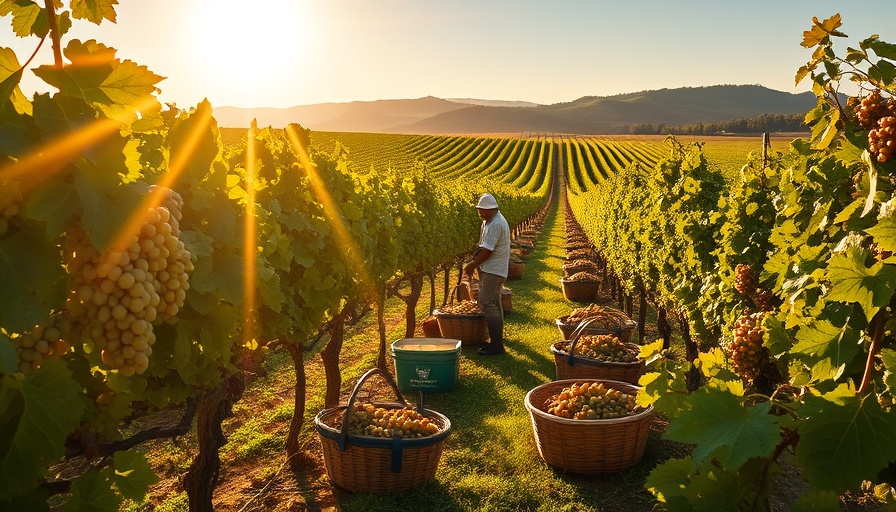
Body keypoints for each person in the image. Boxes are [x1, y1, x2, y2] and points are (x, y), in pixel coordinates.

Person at [464, 193, 510, 355]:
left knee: (487, 303)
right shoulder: (488, 221)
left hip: (494, 270)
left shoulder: (496, 224)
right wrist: (475, 261)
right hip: (489, 269)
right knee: (494, 303)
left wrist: (473, 264)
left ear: (492, 209)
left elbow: (488, 251)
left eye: (483, 210)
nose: (480, 213)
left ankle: (497, 345)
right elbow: (483, 246)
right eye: (479, 210)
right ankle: (497, 341)